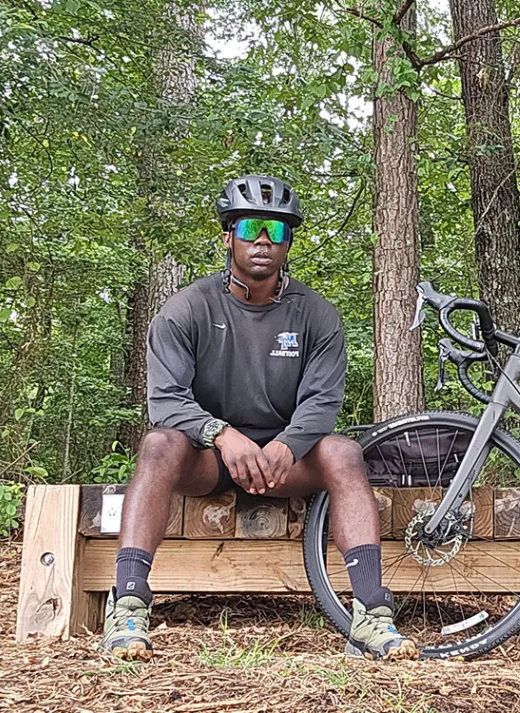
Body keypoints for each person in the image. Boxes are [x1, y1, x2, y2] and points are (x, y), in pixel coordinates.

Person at [102, 175, 417, 662]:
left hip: (284, 462)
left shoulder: (316, 315)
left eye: (277, 231)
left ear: (290, 241)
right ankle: (126, 607)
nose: (263, 241)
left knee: (344, 452)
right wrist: (221, 435)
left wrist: (285, 446)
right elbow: (165, 399)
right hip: (208, 458)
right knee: (158, 445)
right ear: (229, 235)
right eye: (250, 227)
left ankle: (371, 615)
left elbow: (322, 401)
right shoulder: (187, 309)